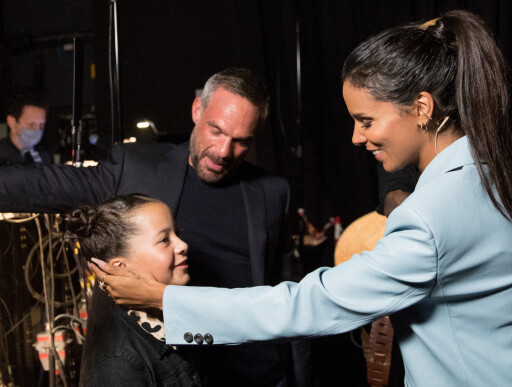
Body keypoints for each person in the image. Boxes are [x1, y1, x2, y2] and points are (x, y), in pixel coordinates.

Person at [91, 10, 512, 386]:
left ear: (422, 107)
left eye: (366, 120)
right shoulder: (494, 169)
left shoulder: (430, 215)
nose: (356, 138)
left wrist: (165, 299)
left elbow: (311, 304)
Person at [0, 68, 293, 386]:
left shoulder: (272, 193)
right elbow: (47, 185)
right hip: (163, 374)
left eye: (240, 141)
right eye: (216, 131)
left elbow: (285, 296)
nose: (223, 151)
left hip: (252, 375)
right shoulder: (137, 168)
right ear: (197, 110)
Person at [66, 194, 202, 386]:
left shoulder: (173, 319)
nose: (183, 245)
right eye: (164, 240)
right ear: (120, 267)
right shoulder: (117, 363)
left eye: (177, 233)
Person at [0, 92, 51, 165]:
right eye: (31, 124)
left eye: (41, 125)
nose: (38, 129)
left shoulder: (43, 154)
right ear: (11, 122)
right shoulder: (3, 156)